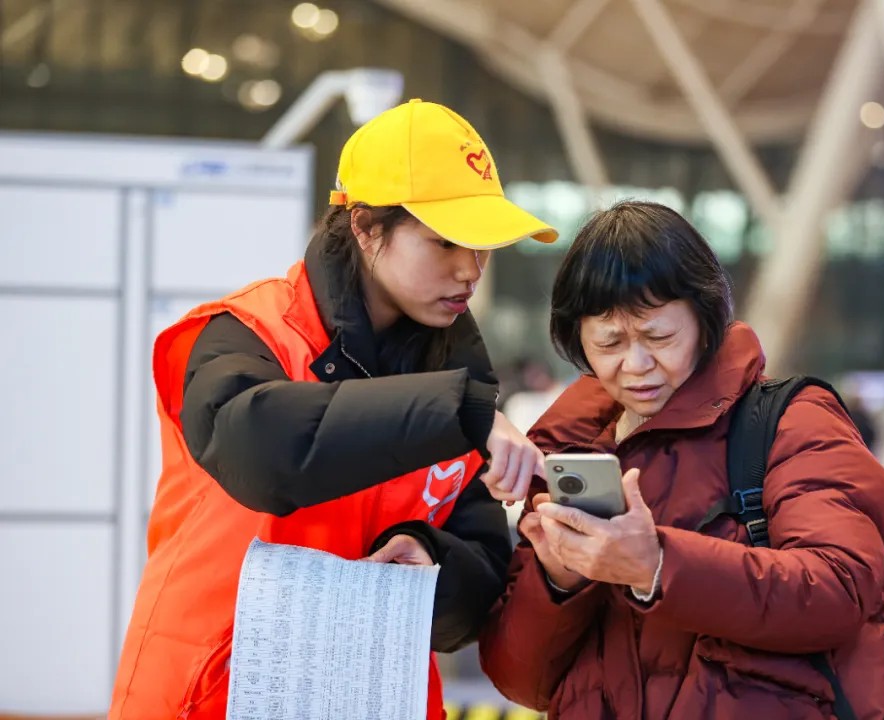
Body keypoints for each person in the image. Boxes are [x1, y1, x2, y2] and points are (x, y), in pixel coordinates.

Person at [109, 99, 554, 719]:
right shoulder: (242, 334)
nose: (470, 269)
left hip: (372, 697)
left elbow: (478, 585)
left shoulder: (457, 382)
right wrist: (459, 411)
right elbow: (262, 454)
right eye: (445, 241)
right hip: (215, 698)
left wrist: (428, 556)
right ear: (366, 228)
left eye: (483, 246)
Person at [479, 201, 884, 719]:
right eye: (610, 342)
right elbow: (519, 680)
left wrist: (656, 565)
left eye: (659, 337)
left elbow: (839, 590)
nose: (636, 364)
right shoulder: (569, 452)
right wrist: (558, 578)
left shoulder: (794, 421)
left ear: (704, 319)